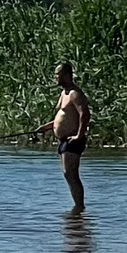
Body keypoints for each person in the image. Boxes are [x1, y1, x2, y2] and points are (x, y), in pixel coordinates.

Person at [42, 61, 92, 210]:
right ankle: (77, 210)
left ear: (67, 75)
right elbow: (64, 116)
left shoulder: (74, 94)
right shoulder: (63, 94)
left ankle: (79, 207)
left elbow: (84, 114)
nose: (55, 77)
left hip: (72, 140)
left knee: (71, 174)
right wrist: (47, 127)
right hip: (63, 140)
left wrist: (79, 135)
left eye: (58, 74)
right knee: (67, 174)